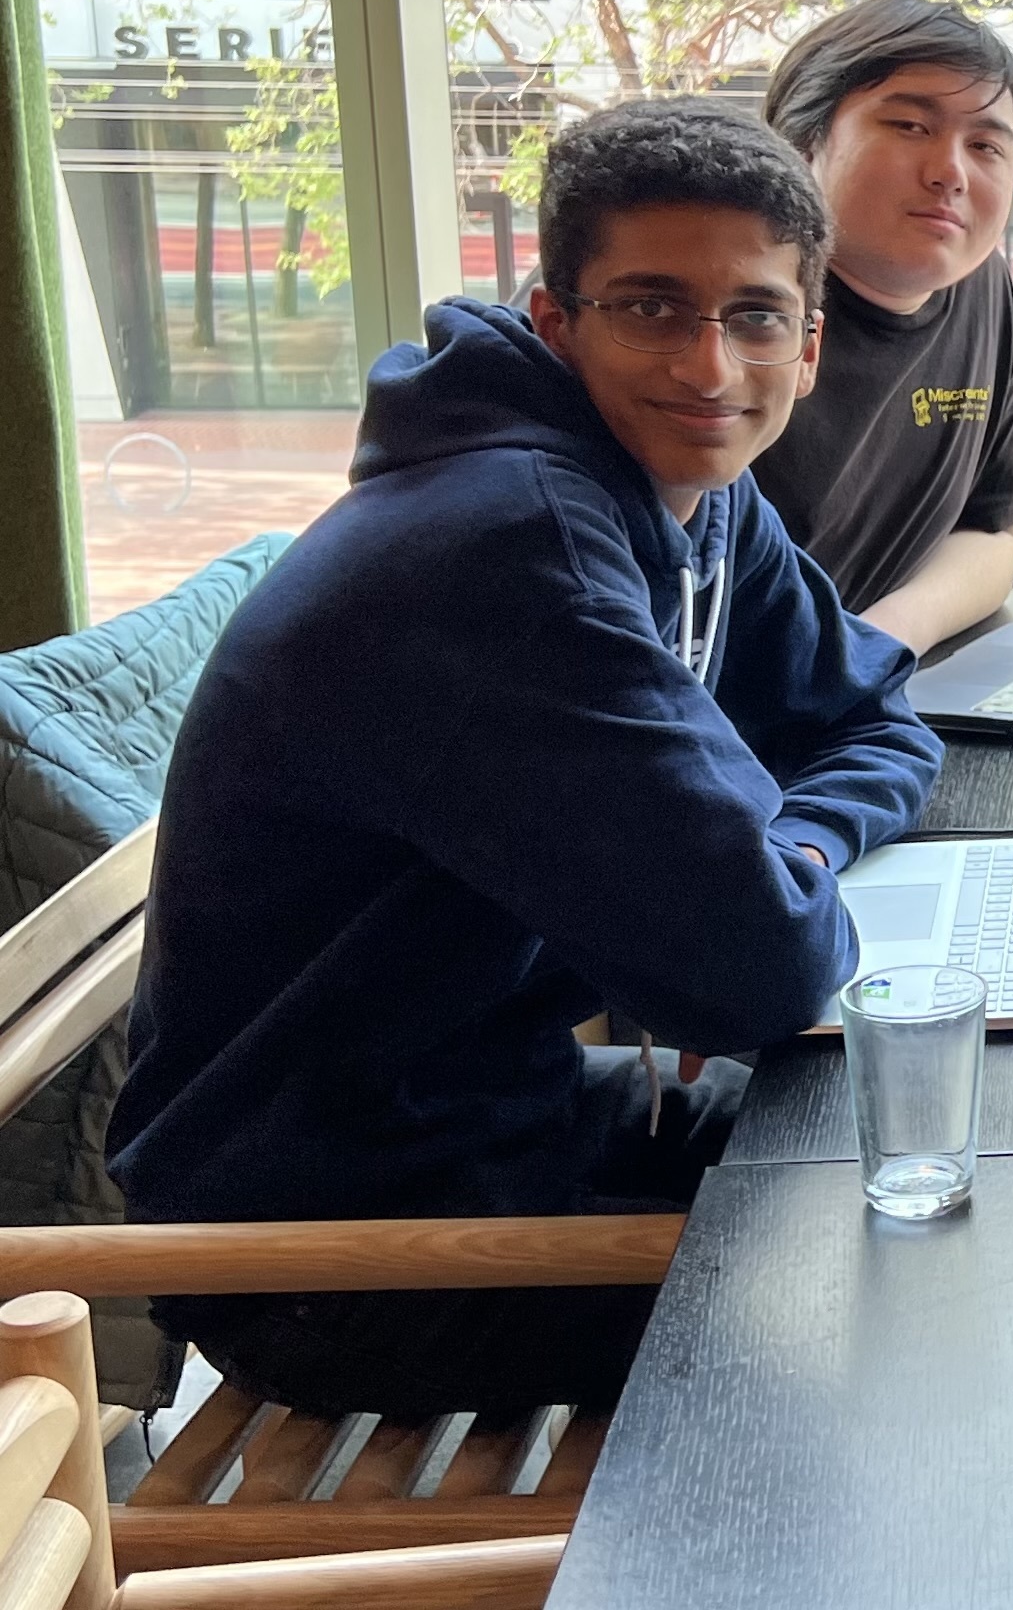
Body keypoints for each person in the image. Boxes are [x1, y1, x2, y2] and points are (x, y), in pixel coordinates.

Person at [111, 98, 943, 1417]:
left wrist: (787, 844)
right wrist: (762, 880)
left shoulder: (696, 488)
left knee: (926, 1154)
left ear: (808, 341)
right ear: (558, 322)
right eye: (651, 307)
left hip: (497, 1110)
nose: (710, 365)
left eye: (753, 315)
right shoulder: (509, 545)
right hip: (330, 1240)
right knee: (900, 1313)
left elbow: (878, 714)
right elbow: (759, 971)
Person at [752, 0, 1013, 654]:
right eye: (911, 127)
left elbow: (992, 526)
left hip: (872, 684)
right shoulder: (718, 287)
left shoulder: (979, 284)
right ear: (803, 143)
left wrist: (882, 642)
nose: (950, 173)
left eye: (985, 146)